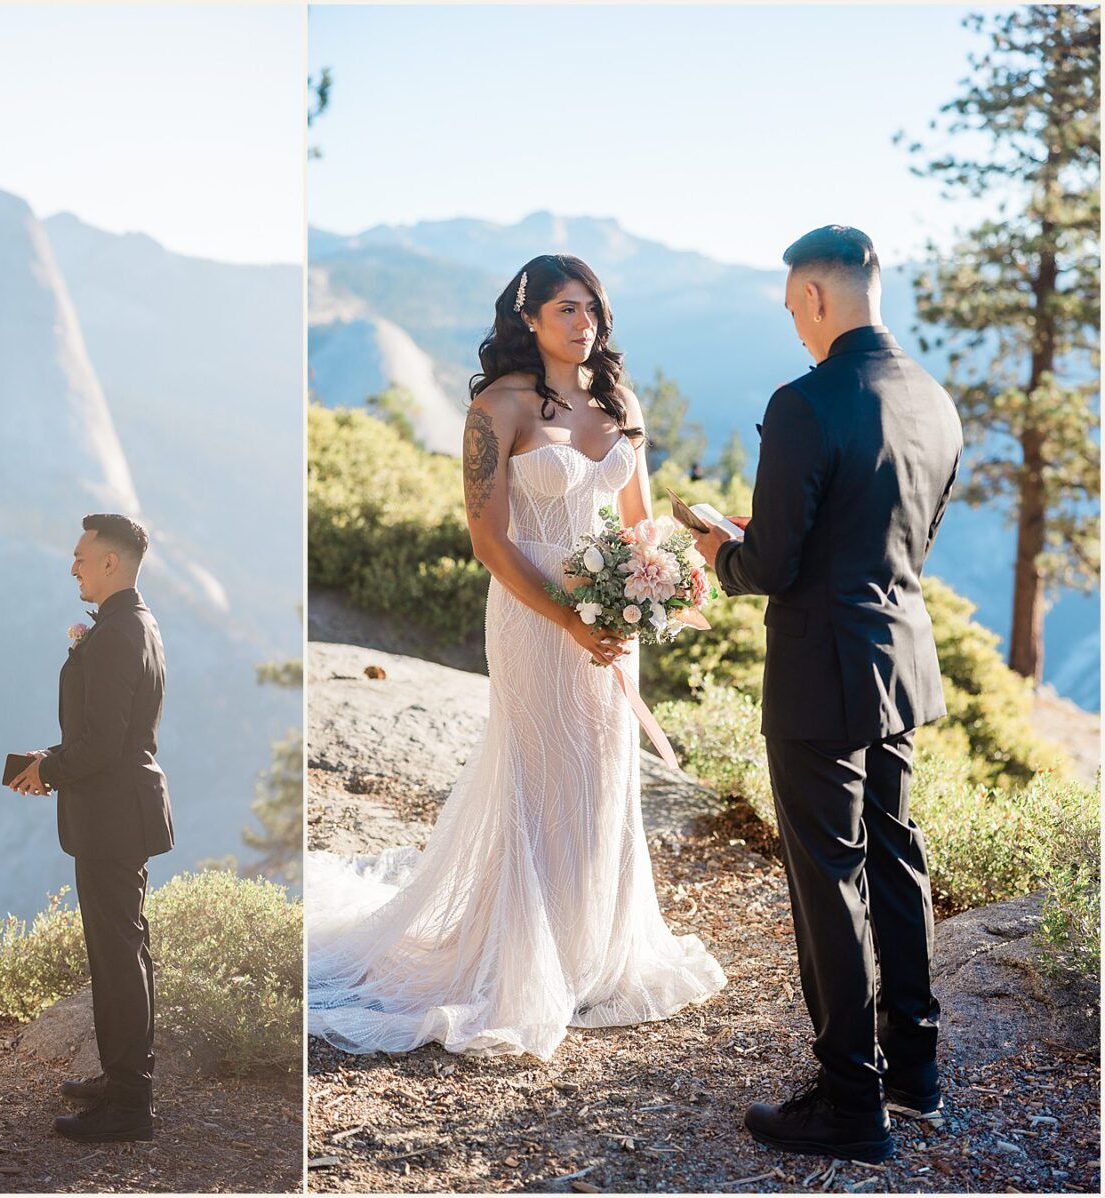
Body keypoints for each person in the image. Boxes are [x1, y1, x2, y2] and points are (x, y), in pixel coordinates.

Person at [306, 255, 725, 1061]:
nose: (584, 323)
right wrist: (568, 616)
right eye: (566, 309)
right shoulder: (495, 409)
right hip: (538, 616)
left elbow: (638, 520)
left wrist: (662, 581)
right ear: (528, 319)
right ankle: (526, 958)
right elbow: (489, 540)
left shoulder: (620, 402)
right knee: (541, 775)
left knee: (604, 774)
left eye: (593, 308)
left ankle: (594, 952)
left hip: (613, 615)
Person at [693, 225, 962, 1163]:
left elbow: (771, 561)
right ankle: (916, 1067)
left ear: (815, 298)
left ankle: (851, 1100)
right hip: (899, 657)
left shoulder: (804, 402)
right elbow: (905, 541)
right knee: (895, 852)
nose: (794, 330)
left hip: (818, 668)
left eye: (791, 311)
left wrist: (718, 549)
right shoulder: (935, 400)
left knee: (827, 874)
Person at [9, 513, 173, 1143]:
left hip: (111, 813)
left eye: (81, 556)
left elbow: (103, 743)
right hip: (120, 808)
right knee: (123, 951)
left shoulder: (112, 636)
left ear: (112, 562)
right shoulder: (136, 623)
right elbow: (107, 732)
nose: (72, 565)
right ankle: (124, 1078)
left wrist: (47, 768)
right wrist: (49, 760)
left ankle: (131, 1105)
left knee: (118, 955)